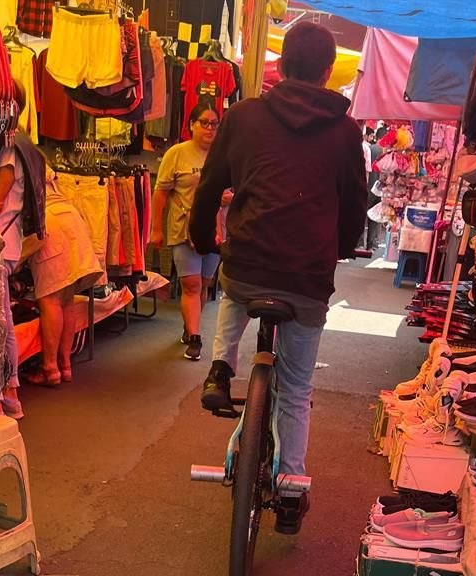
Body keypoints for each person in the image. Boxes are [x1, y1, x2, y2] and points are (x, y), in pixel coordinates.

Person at [189, 22, 367, 534]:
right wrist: (340, 249)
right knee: (295, 389)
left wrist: (205, 241)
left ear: (282, 65)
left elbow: (208, 189)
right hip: (308, 275)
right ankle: (290, 486)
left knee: (234, 279)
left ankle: (220, 368)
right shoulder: (345, 129)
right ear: (328, 72)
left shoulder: (243, 116)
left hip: (248, 264)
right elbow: (354, 203)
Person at [0, 82, 47, 419]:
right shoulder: (25, 145)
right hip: (9, 243)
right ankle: (9, 394)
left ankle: (8, 394)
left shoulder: (7, 150)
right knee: (1, 317)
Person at [150, 104, 225, 361]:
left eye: (214, 123)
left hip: (215, 230)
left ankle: (189, 325)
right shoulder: (177, 154)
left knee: (204, 283)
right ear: (191, 124)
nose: (209, 128)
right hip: (182, 228)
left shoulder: (224, 155)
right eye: (204, 122)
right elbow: (160, 193)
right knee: (191, 284)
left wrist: (229, 199)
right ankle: (195, 337)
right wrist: (156, 229)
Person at [26, 171, 104, 387]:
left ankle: (50, 368)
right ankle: (65, 365)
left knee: (50, 299)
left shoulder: (6, 158)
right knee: (67, 298)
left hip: (49, 220)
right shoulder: (39, 159)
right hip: (71, 216)